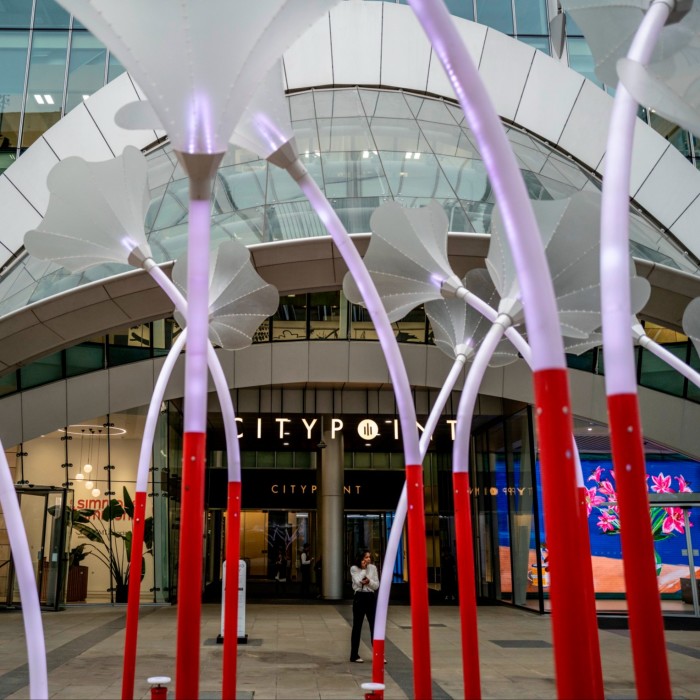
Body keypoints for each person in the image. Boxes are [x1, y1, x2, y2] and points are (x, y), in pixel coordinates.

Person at [349, 549, 379, 663]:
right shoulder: (354, 568)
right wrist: (363, 570)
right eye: (366, 557)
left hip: (370, 597)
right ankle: (354, 655)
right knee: (357, 626)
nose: (368, 559)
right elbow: (357, 582)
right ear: (361, 558)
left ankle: (378, 654)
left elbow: (376, 585)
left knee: (374, 626)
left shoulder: (373, 568)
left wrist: (369, 582)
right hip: (359, 597)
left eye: (369, 557)